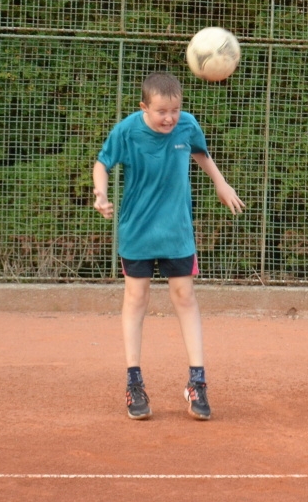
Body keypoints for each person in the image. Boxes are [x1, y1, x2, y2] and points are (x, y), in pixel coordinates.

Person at [92, 72, 245, 421]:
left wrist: (221, 185)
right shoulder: (128, 131)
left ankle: (197, 383)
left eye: (175, 109)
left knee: (184, 297)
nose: (169, 118)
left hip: (177, 232)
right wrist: (100, 194)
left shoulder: (187, 126)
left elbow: (202, 155)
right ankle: (134, 384)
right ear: (144, 106)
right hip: (138, 232)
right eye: (162, 110)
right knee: (136, 299)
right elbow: (102, 163)